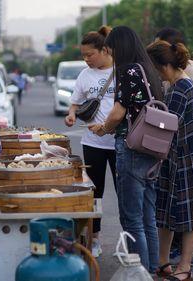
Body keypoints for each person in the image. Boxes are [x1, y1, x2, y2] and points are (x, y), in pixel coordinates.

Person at [88, 25, 163, 273]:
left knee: (132, 218)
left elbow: (119, 112)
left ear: (119, 47)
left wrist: (104, 129)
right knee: (148, 215)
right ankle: (151, 269)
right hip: (152, 147)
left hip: (132, 147)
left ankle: (138, 272)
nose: (111, 54)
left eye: (110, 49)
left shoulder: (128, 70)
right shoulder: (148, 68)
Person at [147, 40, 193, 281]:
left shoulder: (180, 88)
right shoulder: (176, 84)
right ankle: (163, 262)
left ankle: (184, 267)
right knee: (165, 213)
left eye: (153, 67)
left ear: (163, 66)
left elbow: (167, 126)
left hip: (185, 158)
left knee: (188, 214)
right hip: (177, 156)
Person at [64, 26, 116, 258]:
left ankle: (132, 241)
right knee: (95, 193)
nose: (86, 60)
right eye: (83, 55)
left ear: (104, 50)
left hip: (120, 143)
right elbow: (75, 102)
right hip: (93, 142)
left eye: (89, 55)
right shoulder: (85, 75)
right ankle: (94, 239)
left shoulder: (122, 71)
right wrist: (72, 114)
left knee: (126, 193)